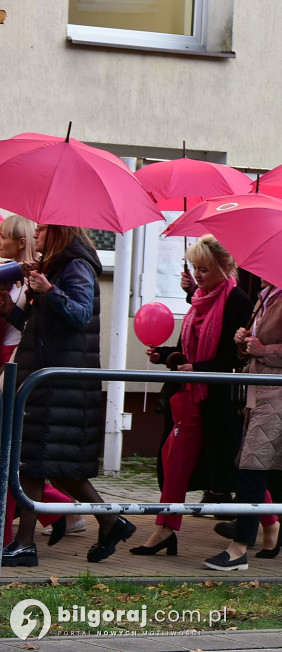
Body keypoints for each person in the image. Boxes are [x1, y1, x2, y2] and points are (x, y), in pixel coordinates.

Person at [0, 225, 134, 567]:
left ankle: (25, 543)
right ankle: (109, 520)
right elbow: (40, 322)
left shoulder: (77, 265)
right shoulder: (57, 264)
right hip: (47, 375)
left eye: (43, 228)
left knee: (32, 463)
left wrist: (50, 290)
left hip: (59, 378)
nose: (37, 233)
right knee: (54, 466)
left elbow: (80, 313)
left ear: (59, 231)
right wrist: (10, 311)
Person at [130, 236, 259, 557]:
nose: (198, 275)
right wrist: (165, 355)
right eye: (195, 268)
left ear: (225, 267)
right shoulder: (200, 298)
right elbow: (188, 346)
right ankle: (164, 530)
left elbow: (233, 356)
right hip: (188, 399)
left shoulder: (237, 301)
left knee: (238, 470)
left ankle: (279, 524)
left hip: (218, 400)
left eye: (204, 269)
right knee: (173, 464)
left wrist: (197, 368)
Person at [204, 284, 282, 571]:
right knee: (272, 475)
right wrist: (244, 343)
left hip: (278, 396)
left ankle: (238, 549)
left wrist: (263, 349)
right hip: (258, 394)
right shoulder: (265, 298)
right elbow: (255, 350)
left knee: (251, 470)